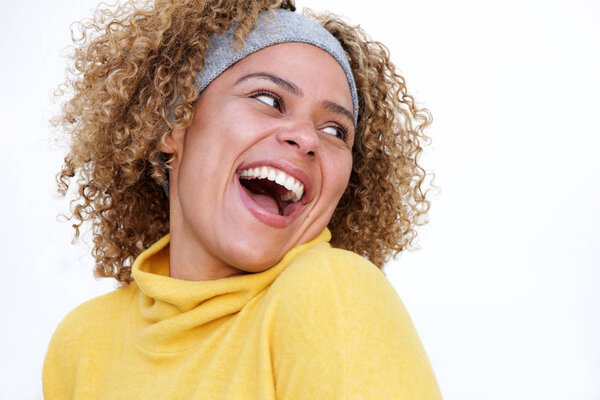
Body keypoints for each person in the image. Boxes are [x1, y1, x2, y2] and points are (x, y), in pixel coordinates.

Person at [43, 0, 441, 398]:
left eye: (336, 131)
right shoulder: (81, 344)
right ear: (173, 123)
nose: (306, 138)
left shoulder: (332, 292)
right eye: (269, 100)